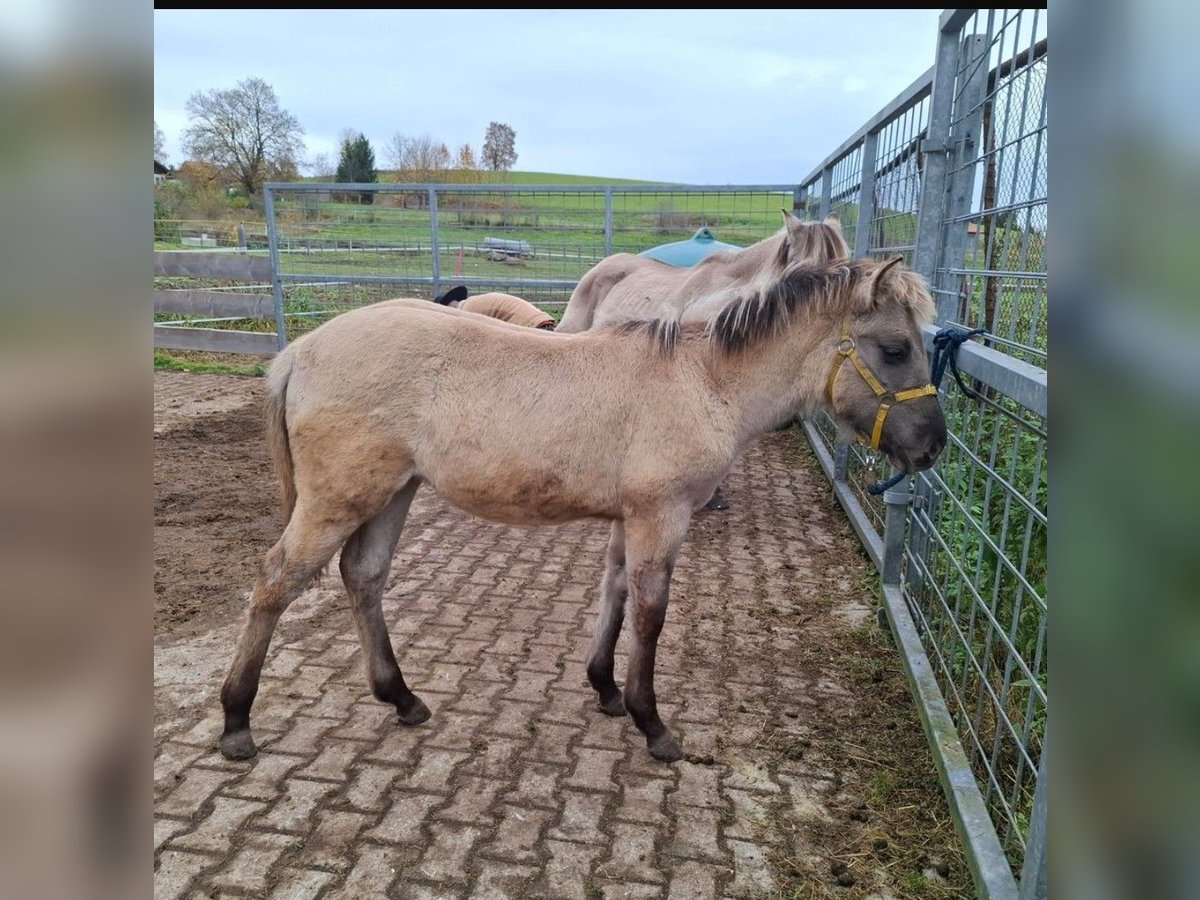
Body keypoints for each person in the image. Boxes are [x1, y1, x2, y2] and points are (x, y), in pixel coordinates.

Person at [433, 286, 556, 330]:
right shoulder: (475, 302)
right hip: (541, 321)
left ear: (449, 307)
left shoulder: (468, 312)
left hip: (531, 327)